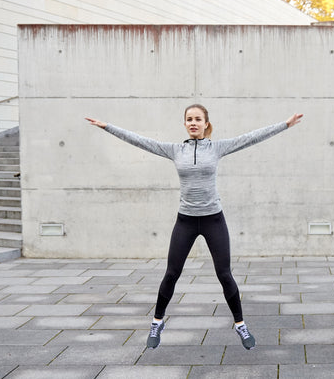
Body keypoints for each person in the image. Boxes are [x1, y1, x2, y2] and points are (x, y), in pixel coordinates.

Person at [86, 105, 303, 350]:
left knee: (224, 274)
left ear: (206, 123)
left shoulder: (217, 148)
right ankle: (157, 322)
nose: (193, 123)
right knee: (171, 273)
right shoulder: (176, 150)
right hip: (186, 221)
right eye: (189, 119)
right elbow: (140, 141)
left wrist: (285, 124)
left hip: (213, 220)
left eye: (197, 119)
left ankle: (240, 325)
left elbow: (251, 137)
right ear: (185, 124)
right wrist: (107, 127)